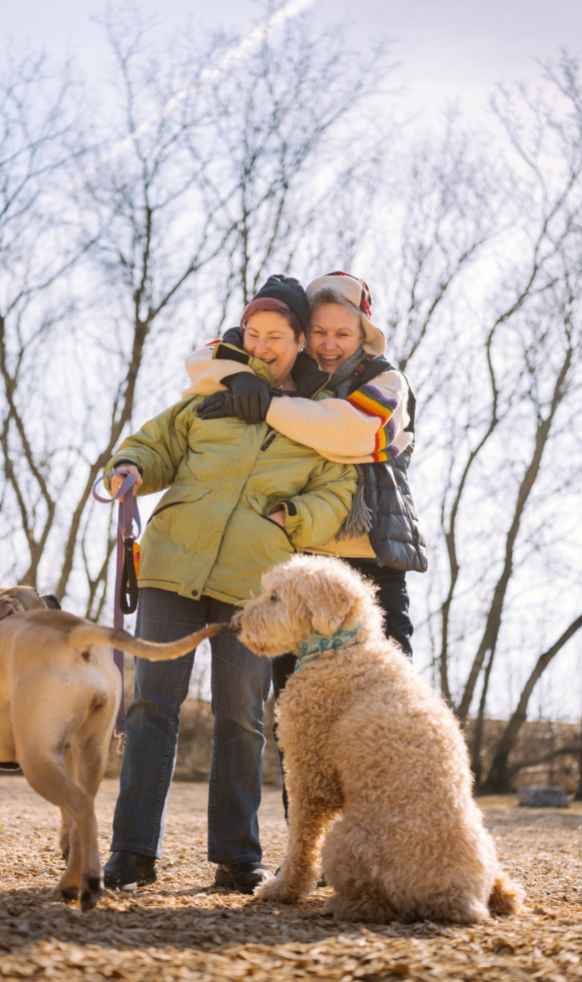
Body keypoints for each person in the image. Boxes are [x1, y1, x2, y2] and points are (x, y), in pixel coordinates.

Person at [101, 274, 358, 894]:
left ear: (301, 341)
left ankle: (237, 857)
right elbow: (152, 444)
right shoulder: (207, 396)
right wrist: (129, 469)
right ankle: (132, 852)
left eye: (276, 335)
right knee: (150, 708)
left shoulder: (321, 419)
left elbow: (336, 490)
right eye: (253, 333)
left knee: (240, 717)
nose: (263, 344)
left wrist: (290, 518)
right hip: (172, 567)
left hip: (253, 585)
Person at [190, 271, 427, 814]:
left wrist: (263, 403)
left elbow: (350, 433)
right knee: (297, 710)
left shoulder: (387, 381)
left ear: (364, 335)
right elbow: (202, 364)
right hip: (301, 559)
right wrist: (238, 376)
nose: (327, 344)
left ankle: (392, 825)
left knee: (389, 703)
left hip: (372, 560)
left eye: (342, 333)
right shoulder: (287, 371)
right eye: (317, 331)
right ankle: (306, 844)